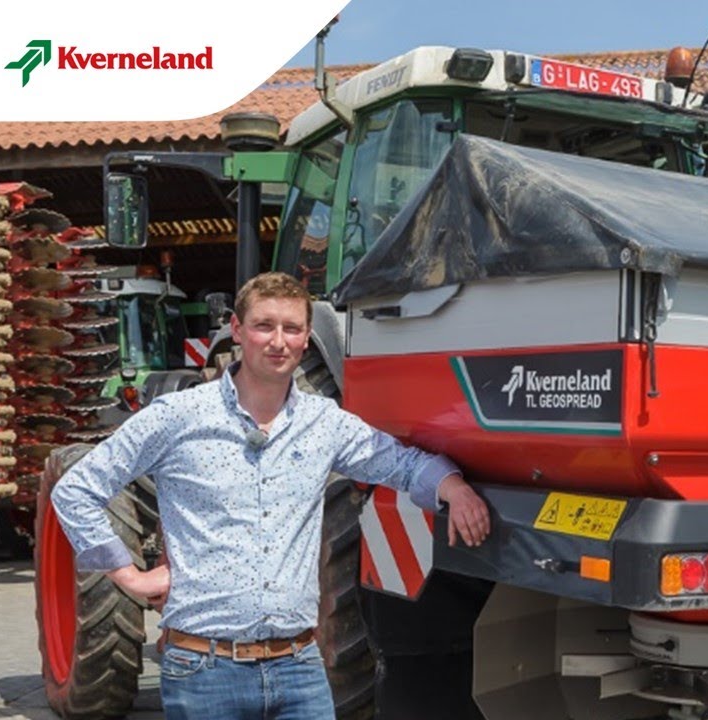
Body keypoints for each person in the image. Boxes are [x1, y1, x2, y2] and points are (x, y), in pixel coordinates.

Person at [51, 272, 490, 719]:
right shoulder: (178, 416)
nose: (278, 341)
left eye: (292, 328)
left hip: (298, 669)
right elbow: (76, 490)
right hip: (205, 671)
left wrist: (449, 485)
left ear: (306, 339)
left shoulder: (326, 422)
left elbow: (400, 462)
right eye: (264, 326)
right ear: (238, 331)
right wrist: (128, 577)